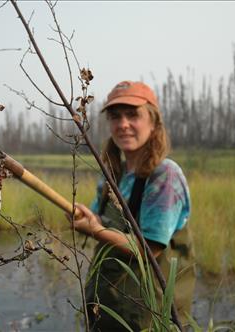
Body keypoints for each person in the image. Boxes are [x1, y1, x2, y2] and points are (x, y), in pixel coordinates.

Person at [70, 81, 196, 331]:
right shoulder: (113, 174)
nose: (123, 124)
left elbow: (149, 248)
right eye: (115, 117)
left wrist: (94, 230)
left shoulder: (165, 176)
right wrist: (86, 218)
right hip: (108, 307)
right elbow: (100, 219)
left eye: (133, 115)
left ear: (153, 122)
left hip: (149, 315)